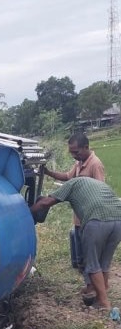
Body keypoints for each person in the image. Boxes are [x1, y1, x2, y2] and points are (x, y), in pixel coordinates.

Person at [30, 177, 121, 311]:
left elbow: (45, 203)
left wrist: (28, 212)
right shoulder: (93, 184)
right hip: (118, 219)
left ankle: (103, 302)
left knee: (92, 263)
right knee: (104, 262)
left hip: (96, 221)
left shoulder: (70, 184)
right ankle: (98, 291)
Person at [44, 132, 105, 292]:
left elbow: (100, 190)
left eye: (76, 152)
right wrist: (49, 173)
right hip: (79, 218)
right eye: (71, 152)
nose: (73, 155)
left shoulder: (95, 164)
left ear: (86, 147)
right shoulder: (80, 163)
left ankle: (94, 288)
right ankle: (90, 285)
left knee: (89, 256)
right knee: (81, 255)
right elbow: (67, 177)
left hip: (90, 218)